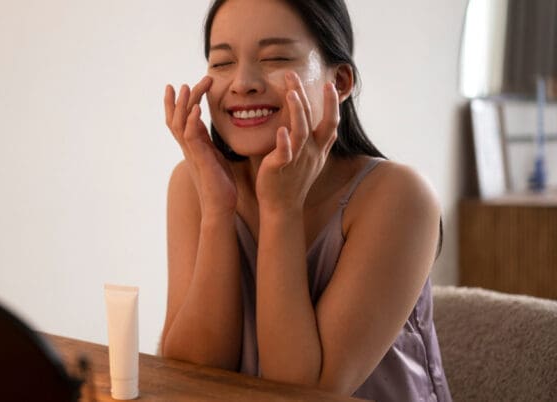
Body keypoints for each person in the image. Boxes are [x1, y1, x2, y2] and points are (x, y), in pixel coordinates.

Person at [160, 0, 453, 400]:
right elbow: (188, 374)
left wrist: (281, 210)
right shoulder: (194, 183)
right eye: (222, 62)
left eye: (275, 57)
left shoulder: (401, 197)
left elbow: (306, 392)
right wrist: (216, 209)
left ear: (341, 82)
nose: (242, 82)